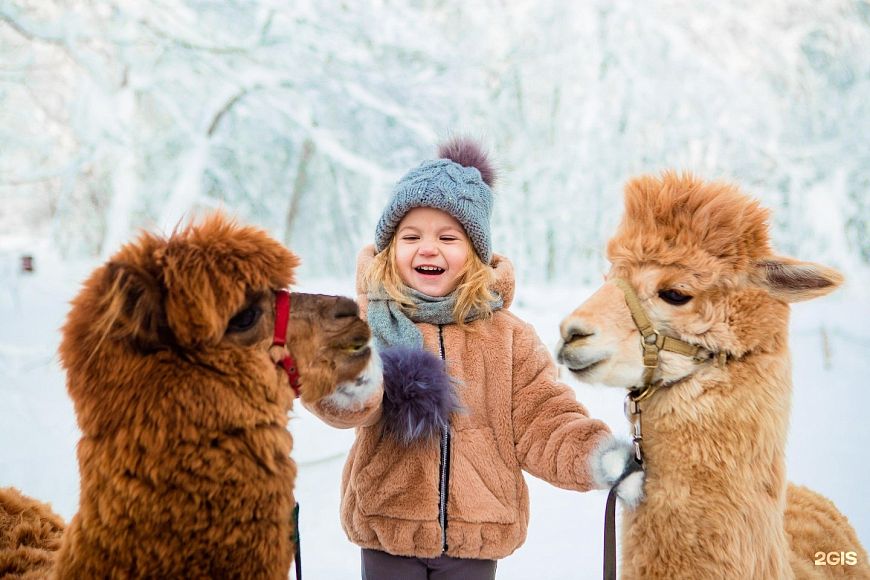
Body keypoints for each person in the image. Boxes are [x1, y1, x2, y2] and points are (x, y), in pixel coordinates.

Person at [305, 137, 643, 579]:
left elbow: (545, 419)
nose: (428, 249)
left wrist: (597, 456)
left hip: (477, 536)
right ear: (389, 250)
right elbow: (352, 408)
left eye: (448, 237)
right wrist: (336, 379)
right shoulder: (368, 326)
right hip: (388, 525)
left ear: (476, 255)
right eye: (411, 237)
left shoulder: (508, 338)